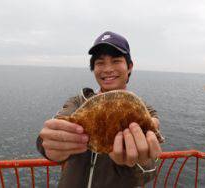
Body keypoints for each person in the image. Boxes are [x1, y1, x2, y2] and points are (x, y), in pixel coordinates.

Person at [36, 31, 163, 188]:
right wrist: (49, 146)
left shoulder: (144, 111)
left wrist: (136, 163)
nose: (108, 69)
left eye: (116, 61)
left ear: (129, 67)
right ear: (93, 68)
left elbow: (148, 171)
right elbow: (53, 130)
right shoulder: (78, 102)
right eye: (100, 63)